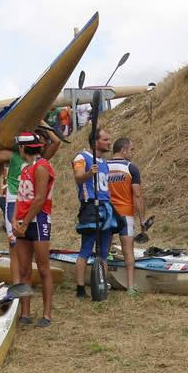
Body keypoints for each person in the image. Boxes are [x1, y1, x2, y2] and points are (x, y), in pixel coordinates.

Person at [0, 119, 61, 284]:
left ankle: (26, 280)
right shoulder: (13, 156)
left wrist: (41, 121)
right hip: (14, 204)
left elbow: (57, 141)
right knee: (14, 246)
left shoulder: (41, 160)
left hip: (33, 205)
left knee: (31, 247)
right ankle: (17, 285)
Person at [12, 133, 56, 327]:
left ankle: (46, 314)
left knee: (43, 267)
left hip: (37, 221)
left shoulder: (42, 167)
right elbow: (19, 197)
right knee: (24, 269)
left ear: (23, 148)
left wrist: (24, 222)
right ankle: (25, 313)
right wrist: (14, 219)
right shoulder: (25, 168)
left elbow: (39, 199)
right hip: (23, 221)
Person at [72, 127, 119, 298]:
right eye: (105, 139)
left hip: (106, 207)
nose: (109, 142)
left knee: (104, 251)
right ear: (95, 142)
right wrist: (88, 173)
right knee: (86, 247)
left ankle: (101, 285)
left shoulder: (105, 163)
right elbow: (78, 178)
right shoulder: (81, 157)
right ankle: (80, 288)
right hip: (91, 207)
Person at [108, 138, 147, 295]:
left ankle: (104, 283)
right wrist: (142, 220)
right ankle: (130, 287)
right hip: (125, 215)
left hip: (108, 214)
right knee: (128, 251)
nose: (133, 153)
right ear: (123, 151)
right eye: (131, 150)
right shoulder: (131, 168)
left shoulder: (103, 166)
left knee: (104, 250)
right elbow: (137, 195)